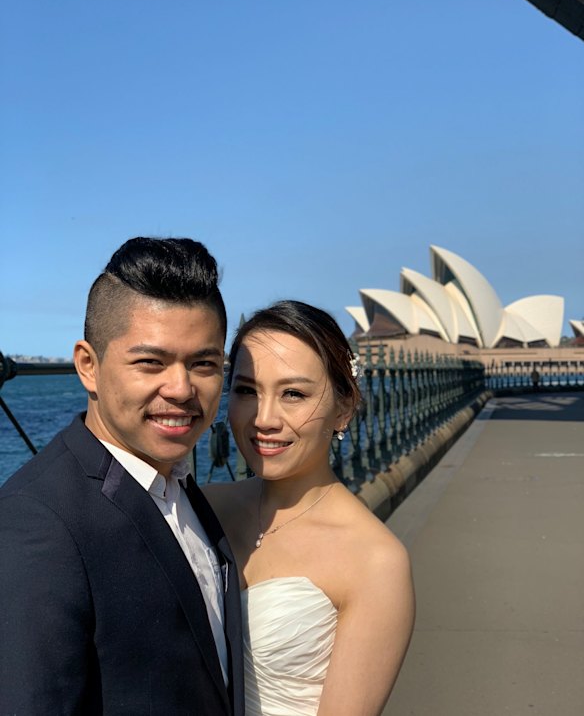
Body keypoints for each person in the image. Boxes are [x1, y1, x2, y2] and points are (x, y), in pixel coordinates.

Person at [0, 237, 244, 715]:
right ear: (88, 366)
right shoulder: (36, 523)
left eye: (204, 364)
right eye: (150, 362)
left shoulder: (179, 484)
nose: (181, 389)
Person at [203, 300, 415, 716]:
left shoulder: (376, 561)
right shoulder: (205, 506)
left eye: (293, 394)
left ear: (344, 408)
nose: (264, 418)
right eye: (246, 391)